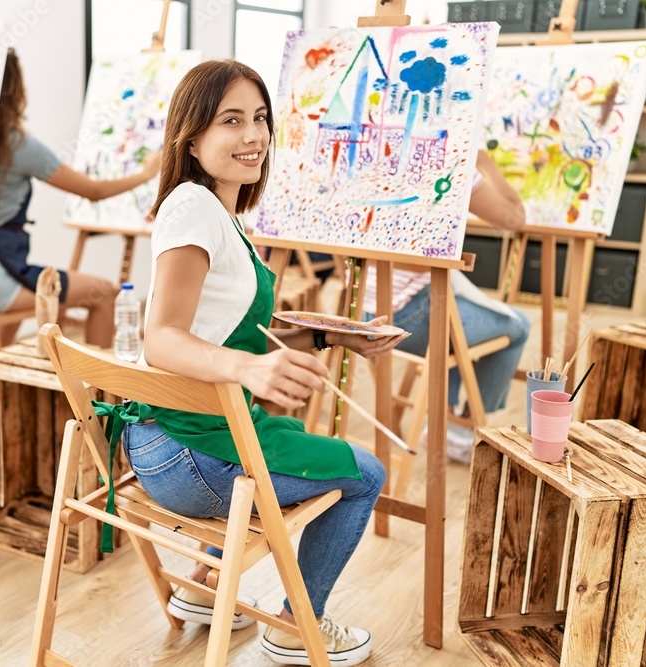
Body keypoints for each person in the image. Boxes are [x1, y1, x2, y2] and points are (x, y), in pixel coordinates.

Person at [108, 60, 406, 666]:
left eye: (261, 119)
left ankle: (209, 588)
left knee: (291, 433)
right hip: (190, 454)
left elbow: (231, 341)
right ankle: (299, 628)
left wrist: (330, 341)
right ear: (192, 139)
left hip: (164, 442)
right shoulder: (193, 208)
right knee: (366, 474)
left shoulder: (220, 215)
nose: (254, 136)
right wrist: (248, 373)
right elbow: (163, 338)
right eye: (232, 121)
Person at [0, 49, 161, 347]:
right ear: (15, 90)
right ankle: (95, 389)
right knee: (104, 292)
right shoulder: (18, 146)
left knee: (48, 288)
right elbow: (94, 191)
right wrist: (145, 175)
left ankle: (4, 373)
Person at [363, 150, 530, 463]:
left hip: (361, 314)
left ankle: (449, 416)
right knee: (518, 325)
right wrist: (484, 161)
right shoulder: (455, 154)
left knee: (455, 314)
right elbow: (515, 219)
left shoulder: (375, 149)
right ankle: (460, 430)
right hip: (408, 321)